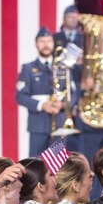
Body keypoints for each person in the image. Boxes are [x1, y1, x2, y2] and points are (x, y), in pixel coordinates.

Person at [17, 29, 78, 157]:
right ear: (36, 44)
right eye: (42, 41)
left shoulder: (63, 66)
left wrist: (63, 105)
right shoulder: (28, 68)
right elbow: (20, 96)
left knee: (59, 164)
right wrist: (42, 105)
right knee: (35, 164)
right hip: (38, 125)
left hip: (60, 124)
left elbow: (73, 93)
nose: (46, 44)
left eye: (49, 41)